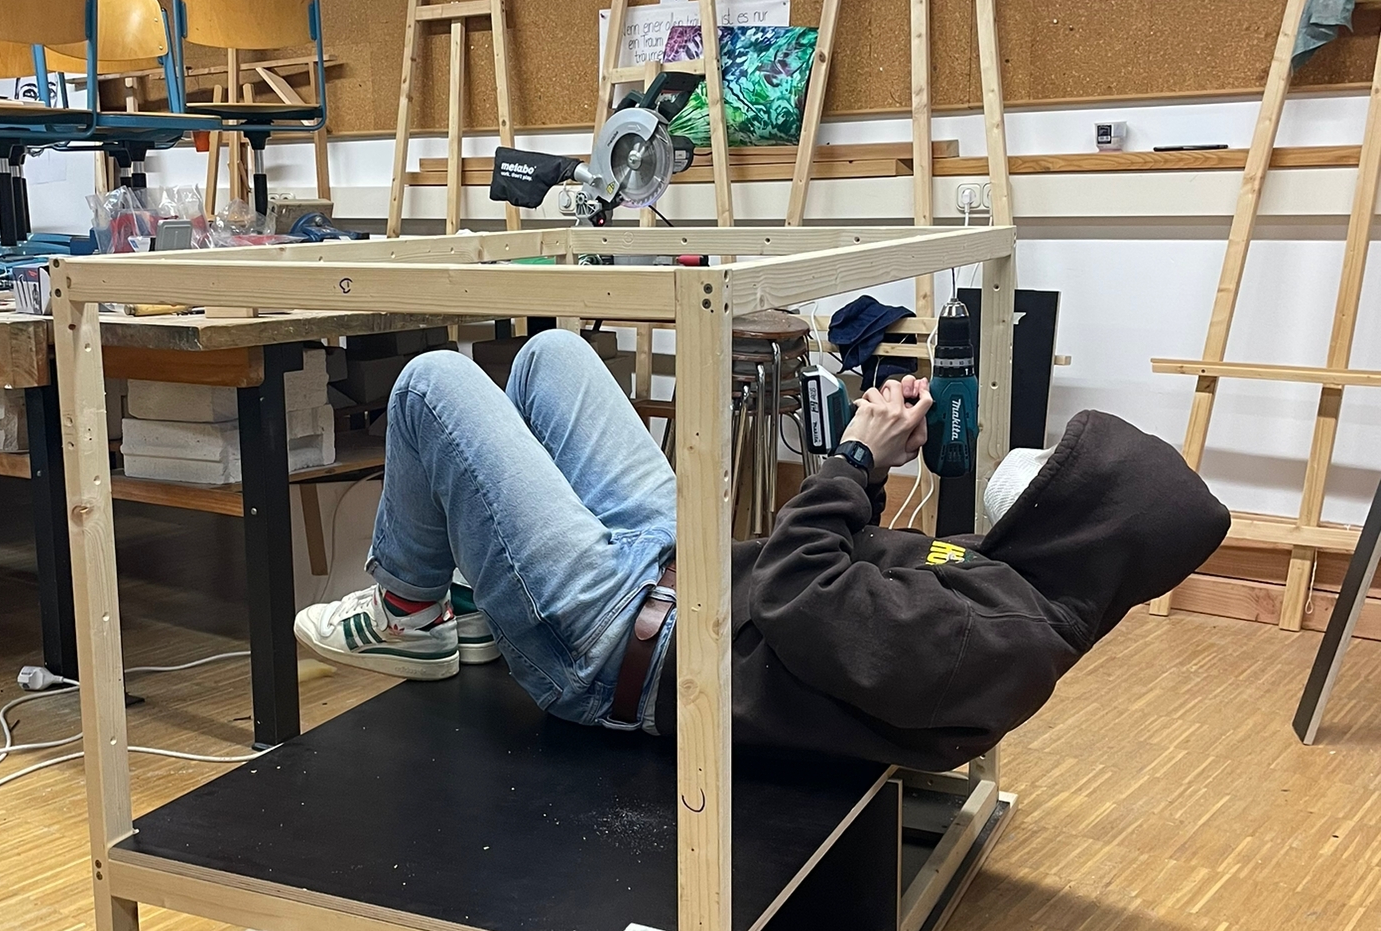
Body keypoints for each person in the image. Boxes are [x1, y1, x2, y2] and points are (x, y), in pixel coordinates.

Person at [294, 329, 1230, 771]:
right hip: (681, 580)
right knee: (552, 358)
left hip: (614, 652)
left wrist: (854, 458)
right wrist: (869, 473)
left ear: (1085, 529)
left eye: (1058, 474)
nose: (1033, 467)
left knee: (432, 383)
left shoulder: (1000, 644)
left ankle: (409, 613)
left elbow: (797, 590)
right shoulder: (1010, 585)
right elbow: (852, 573)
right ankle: (477, 599)